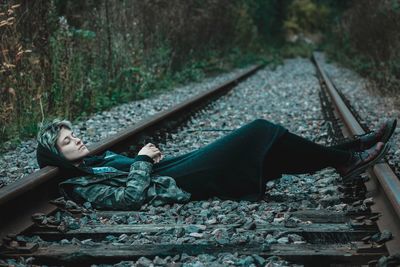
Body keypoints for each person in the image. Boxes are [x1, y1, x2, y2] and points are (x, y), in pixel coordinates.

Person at [36, 118, 396, 211]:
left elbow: (134, 173)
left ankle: (348, 154)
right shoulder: (77, 184)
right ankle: (347, 157)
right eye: (68, 142)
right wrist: (142, 162)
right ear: (56, 156)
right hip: (177, 184)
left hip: (173, 169)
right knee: (258, 131)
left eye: (75, 135)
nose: (78, 140)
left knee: (269, 150)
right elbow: (130, 199)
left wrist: (146, 160)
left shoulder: (93, 163)